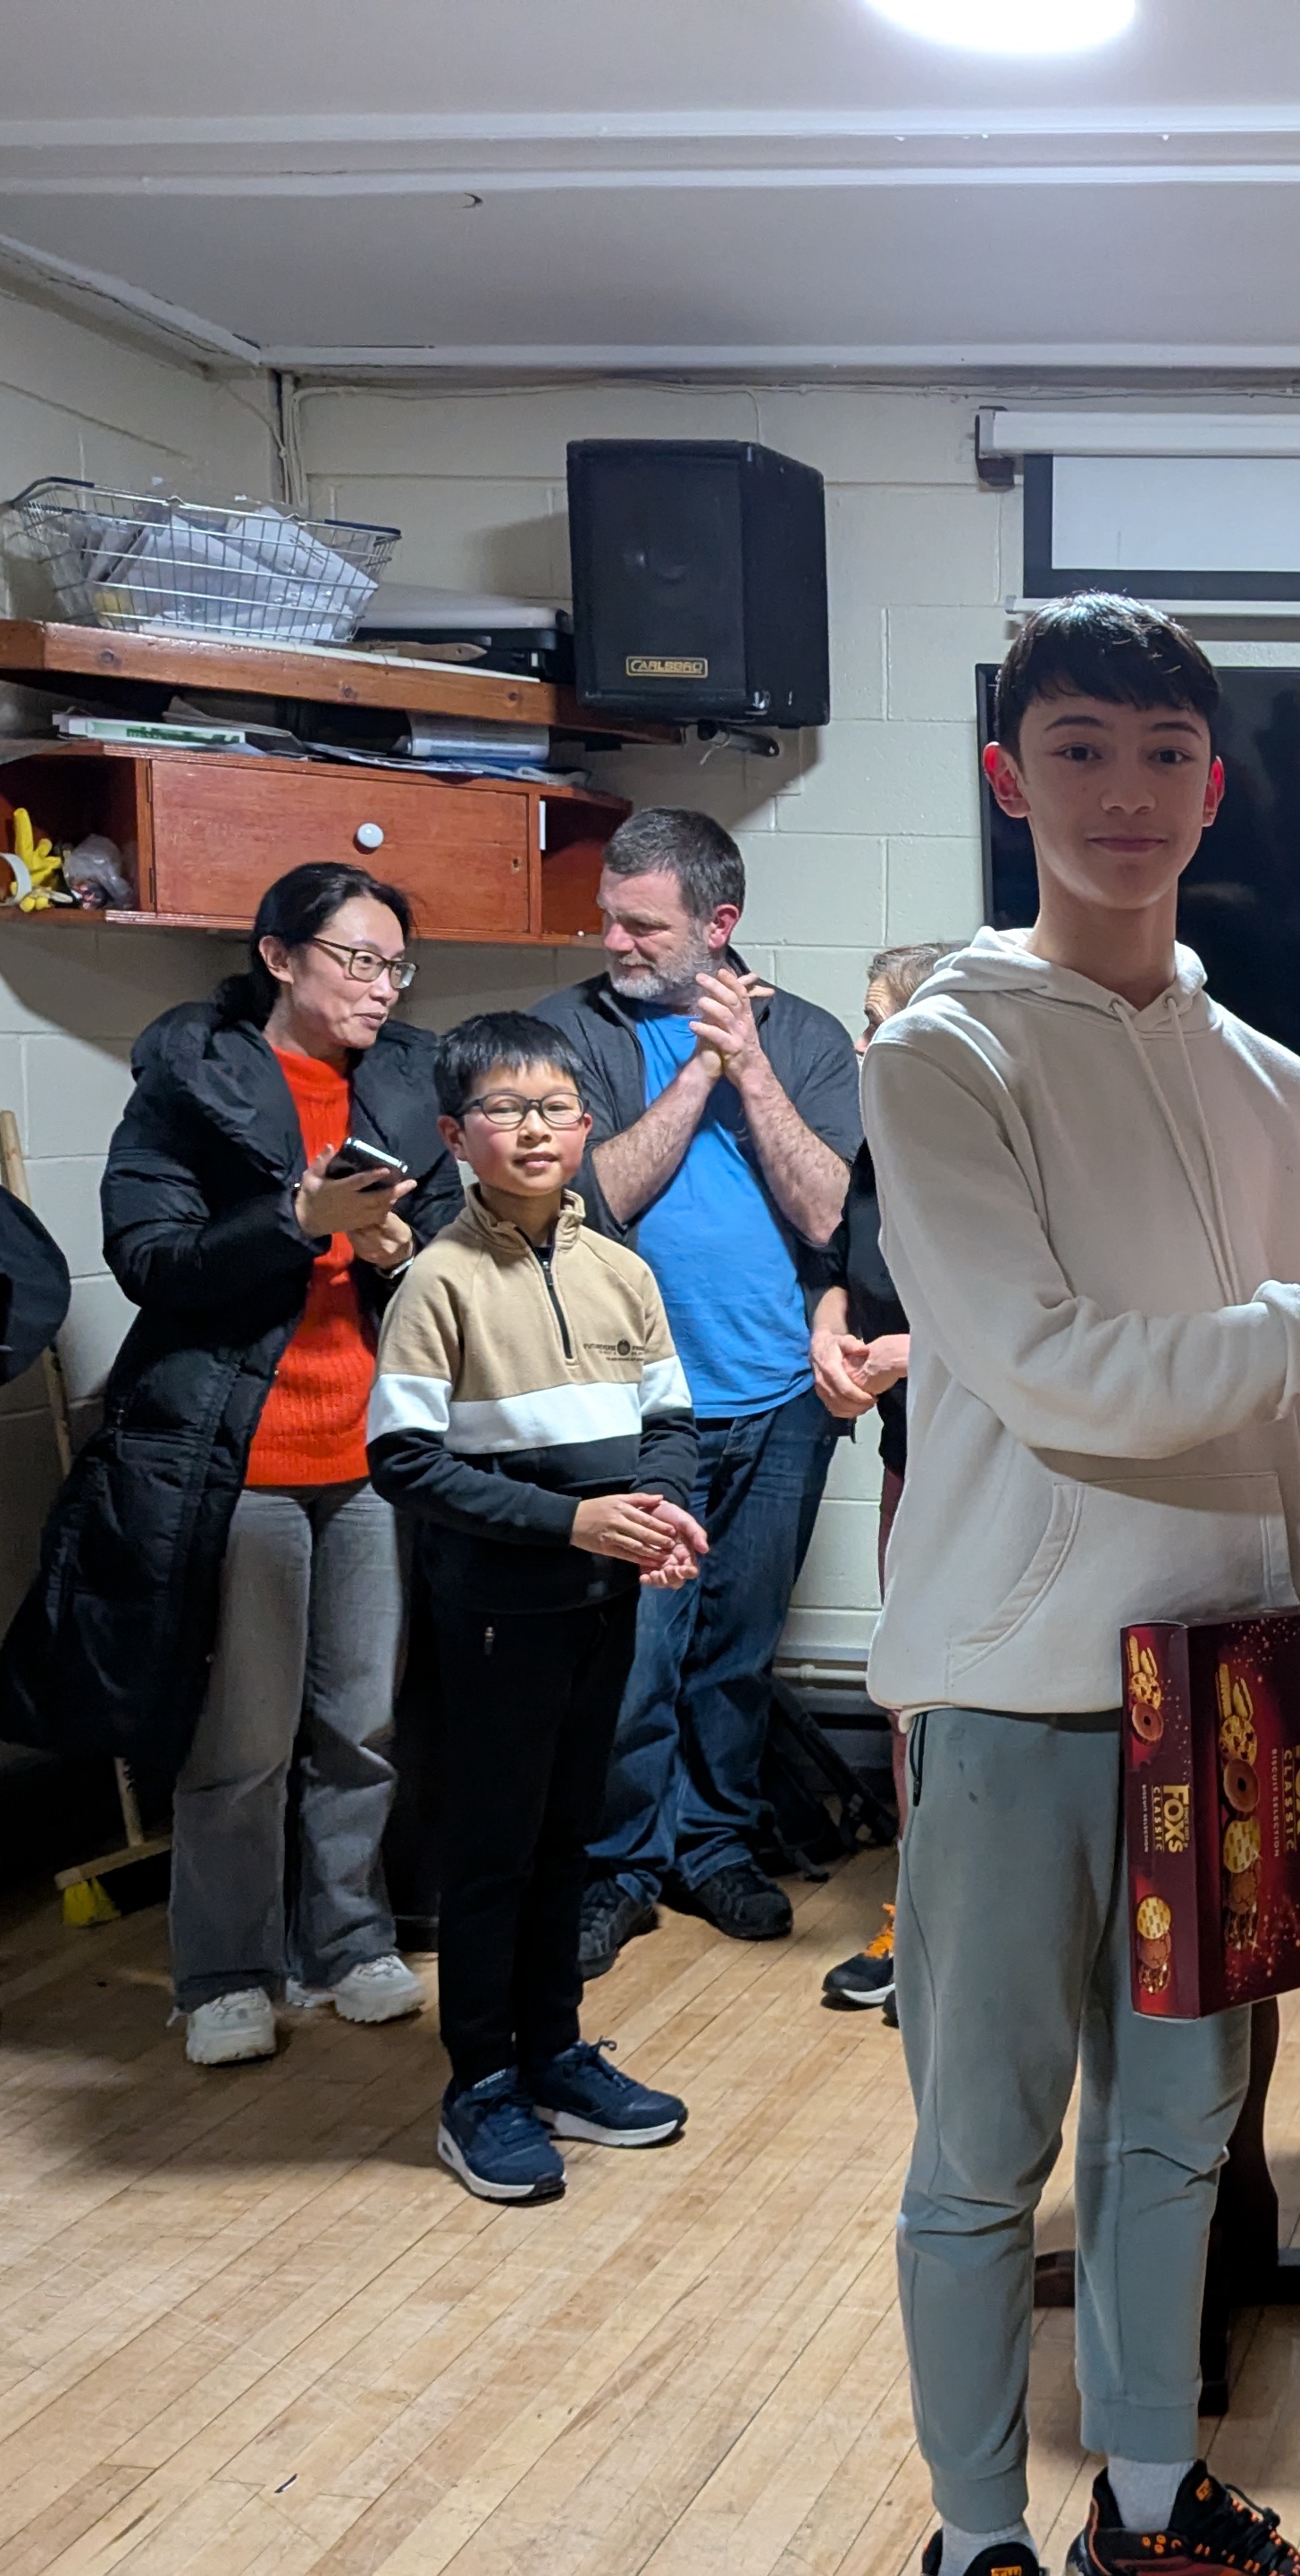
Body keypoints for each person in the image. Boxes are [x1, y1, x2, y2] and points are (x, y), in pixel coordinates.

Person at [864, 594, 1300, 2576]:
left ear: (1214, 788)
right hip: (1011, 1686)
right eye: (1079, 749)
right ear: (1011, 778)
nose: (1125, 794)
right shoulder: (941, 1052)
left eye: (1162, 754)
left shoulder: (1272, 1079)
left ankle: (1146, 2511)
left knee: (1181, 2136)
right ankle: (972, 2556)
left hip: (1237, 1684)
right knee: (981, 2156)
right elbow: (1061, 1370)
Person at [0, 863, 458, 2068]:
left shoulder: (412, 1083)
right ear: (280, 958)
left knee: (361, 1722)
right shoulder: (192, 1080)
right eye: (358, 960)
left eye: (396, 966)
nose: (382, 987)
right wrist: (296, 1222)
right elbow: (151, 1257)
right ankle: (224, 1972)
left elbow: (455, 1252)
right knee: (240, 1735)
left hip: (371, 1453)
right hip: (236, 1454)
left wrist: (401, 1250)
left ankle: (345, 1942)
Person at [365, 1011, 706, 2205]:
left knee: (571, 1836)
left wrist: (661, 1515)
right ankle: (482, 2085)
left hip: (600, 1602)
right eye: (504, 1110)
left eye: (555, 1108)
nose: (534, 1129)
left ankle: (555, 2055)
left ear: (586, 1125)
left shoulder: (622, 1270)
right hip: (495, 1613)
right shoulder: (437, 1281)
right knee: (493, 1851)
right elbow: (404, 1461)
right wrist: (571, 1522)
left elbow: (670, 1424)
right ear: (456, 1135)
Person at [533, 807, 859, 1975]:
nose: (613, 941)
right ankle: (617, 1866)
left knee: (736, 1649)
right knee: (633, 1655)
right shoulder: (568, 1032)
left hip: (780, 1401)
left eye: (643, 925)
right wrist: (701, 1070)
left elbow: (829, 1212)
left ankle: (714, 1843)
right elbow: (594, 1197)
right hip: (634, 1403)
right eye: (609, 918)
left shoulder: (806, 1036)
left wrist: (752, 1064)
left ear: (719, 925)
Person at [814, 937, 948, 2024]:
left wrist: (919, 1354)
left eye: (876, 1021)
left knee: (981, 1703)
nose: (860, 1045)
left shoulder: (1014, 1149)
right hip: (910, 1458)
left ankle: (974, 1936)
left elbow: (1073, 1331)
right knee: (905, 1693)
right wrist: (831, 1333)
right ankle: (919, 1915)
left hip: (1009, 1474)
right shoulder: (880, 1144)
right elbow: (840, 1268)